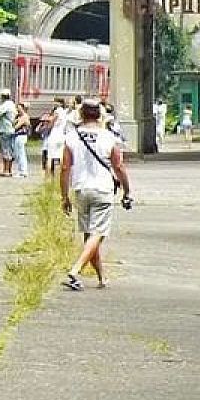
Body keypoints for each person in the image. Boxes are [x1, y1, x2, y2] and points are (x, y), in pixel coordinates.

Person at [60, 98, 132, 291]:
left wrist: (64, 196)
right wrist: (127, 191)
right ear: (100, 115)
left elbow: (65, 167)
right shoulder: (109, 137)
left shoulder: (71, 137)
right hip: (102, 190)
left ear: (81, 114)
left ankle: (102, 277)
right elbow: (119, 166)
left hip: (81, 190)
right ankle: (75, 271)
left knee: (89, 236)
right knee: (98, 233)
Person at [44, 97, 70, 178]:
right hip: (62, 135)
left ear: (59, 103)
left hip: (54, 134)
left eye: (55, 102)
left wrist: (47, 126)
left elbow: (52, 123)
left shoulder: (57, 111)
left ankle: (48, 176)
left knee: (50, 157)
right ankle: (60, 174)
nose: (53, 103)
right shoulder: (65, 112)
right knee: (60, 156)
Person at [0, 90, 17, 177]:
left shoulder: (6, 105)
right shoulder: (12, 104)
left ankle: (6, 170)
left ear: (2, 97)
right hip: (10, 129)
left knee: (5, 150)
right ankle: (9, 170)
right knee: (9, 150)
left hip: (5, 130)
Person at [13, 102, 32, 178]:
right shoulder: (18, 116)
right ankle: (20, 170)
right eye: (17, 108)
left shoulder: (24, 116)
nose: (17, 109)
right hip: (17, 136)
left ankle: (23, 171)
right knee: (18, 154)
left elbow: (16, 126)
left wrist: (15, 123)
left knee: (21, 153)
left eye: (19, 108)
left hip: (22, 136)